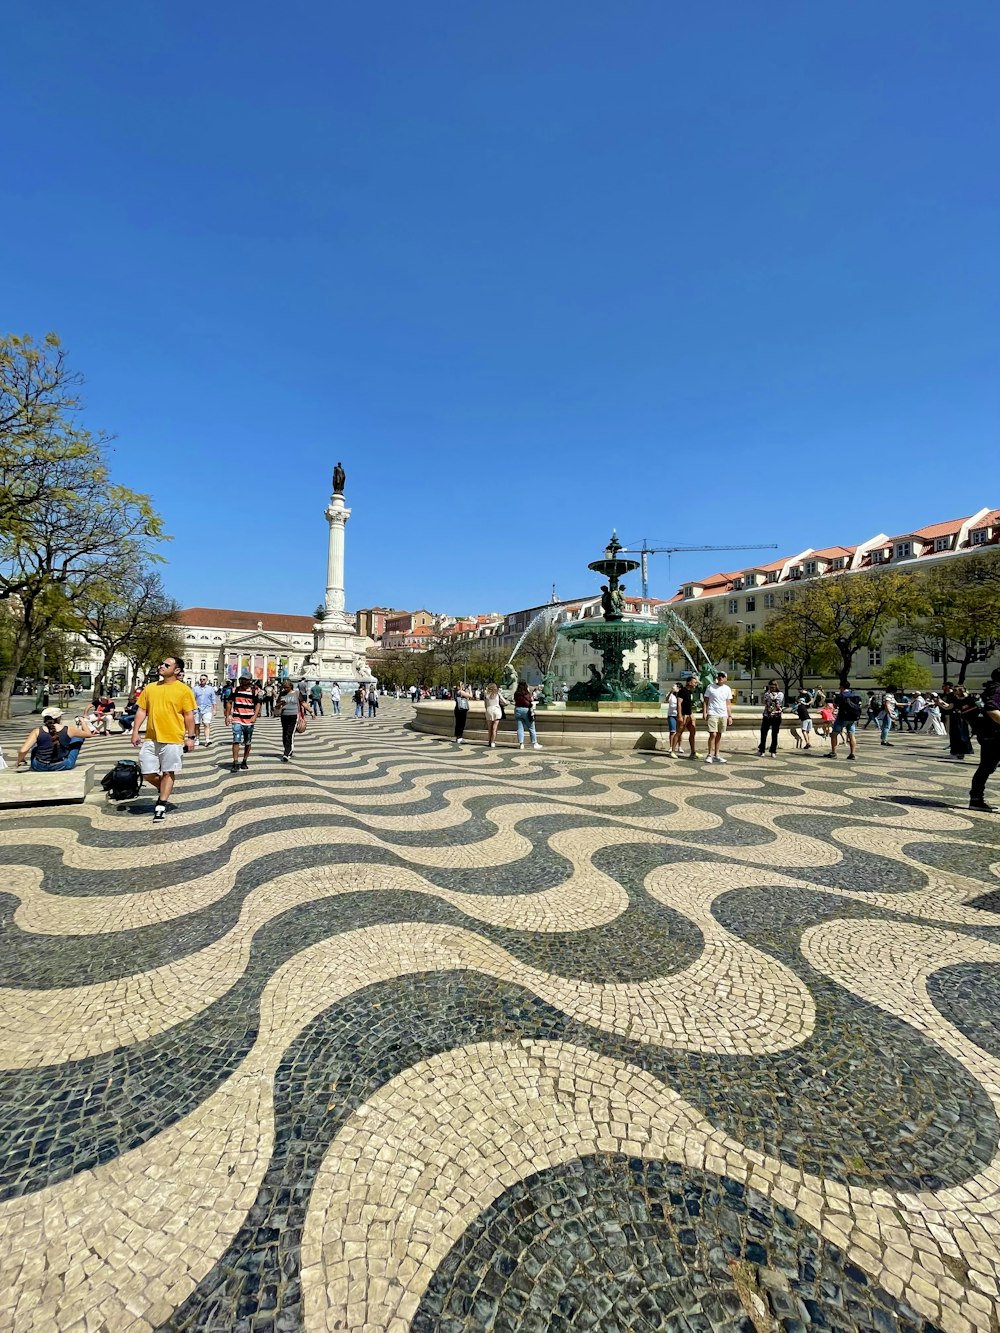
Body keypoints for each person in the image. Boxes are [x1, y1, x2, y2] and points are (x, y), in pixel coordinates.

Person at [131, 656, 197, 820]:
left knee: (168, 771)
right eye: (162, 663)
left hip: (173, 738)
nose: (162, 666)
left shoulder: (184, 690)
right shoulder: (151, 688)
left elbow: (189, 715)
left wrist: (191, 737)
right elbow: (141, 711)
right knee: (147, 772)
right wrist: (135, 731)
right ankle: (164, 787)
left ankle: (161, 804)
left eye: (166, 665)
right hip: (151, 737)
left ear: (177, 670)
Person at [15, 707, 93, 771]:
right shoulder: (69, 729)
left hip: (39, 766)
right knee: (78, 738)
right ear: (59, 718)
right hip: (62, 765)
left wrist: (19, 761)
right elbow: (88, 734)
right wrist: (83, 721)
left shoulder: (37, 731)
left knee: (35, 744)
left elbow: (23, 750)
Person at [969, 679, 1000, 812]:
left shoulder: (990, 689)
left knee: (986, 768)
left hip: (989, 736)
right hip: (996, 736)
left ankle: (976, 799)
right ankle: (976, 799)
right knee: (986, 767)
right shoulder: (997, 690)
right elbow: (992, 710)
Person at [225, 671, 260, 772]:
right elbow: (229, 702)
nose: (242, 681)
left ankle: (244, 760)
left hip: (249, 720)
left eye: (244, 679)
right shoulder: (235, 690)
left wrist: (255, 716)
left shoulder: (254, 691)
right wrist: (227, 716)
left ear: (249, 681)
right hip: (237, 719)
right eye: (241, 679)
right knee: (236, 740)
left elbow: (258, 704)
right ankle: (235, 762)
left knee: (248, 741)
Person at [824, 682, 862, 760]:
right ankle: (852, 754)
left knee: (834, 734)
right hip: (852, 718)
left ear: (842, 687)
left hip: (842, 717)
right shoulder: (854, 694)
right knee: (851, 735)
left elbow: (835, 705)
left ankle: (833, 752)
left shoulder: (840, 695)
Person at [702, 670, 733, 764]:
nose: (720, 678)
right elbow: (705, 701)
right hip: (712, 712)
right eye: (719, 676)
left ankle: (717, 754)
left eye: (722, 676)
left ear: (725, 679)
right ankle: (709, 755)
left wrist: (730, 716)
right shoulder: (710, 687)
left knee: (719, 734)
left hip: (723, 714)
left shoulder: (727, 688)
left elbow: (728, 703)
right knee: (713, 734)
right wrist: (705, 712)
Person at [941, 686, 975, 761]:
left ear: (959, 691)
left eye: (955, 690)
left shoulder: (956, 699)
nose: (953, 691)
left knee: (956, 735)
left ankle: (955, 753)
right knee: (962, 735)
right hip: (962, 717)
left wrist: (940, 703)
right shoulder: (966, 698)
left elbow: (949, 707)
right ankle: (960, 754)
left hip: (957, 717)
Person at [276, 678, 305, 761]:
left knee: (290, 734)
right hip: (284, 716)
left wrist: (311, 712)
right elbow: (276, 706)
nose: (285, 689)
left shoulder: (296, 693)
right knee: (284, 734)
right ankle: (288, 750)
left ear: (291, 687)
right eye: (284, 687)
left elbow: (303, 703)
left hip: (293, 716)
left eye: (287, 687)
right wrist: (280, 703)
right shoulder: (282, 694)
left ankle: (286, 753)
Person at [757, 680, 784, 757]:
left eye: (773, 686)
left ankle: (773, 750)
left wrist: (771, 696)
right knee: (763, 732)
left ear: (776, 686)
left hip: (776, 715)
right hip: (767, 715)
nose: (772, 687)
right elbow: (764, 702)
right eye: (770, 686)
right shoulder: (767, 693)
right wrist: (767, 693)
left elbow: (778, 702)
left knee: (775, 733)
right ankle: (762, 750)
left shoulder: (780, 694)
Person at [513, 679, 542, 750]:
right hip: (526, 711)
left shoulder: (516, 693)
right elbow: (531, 700)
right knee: (531, 727)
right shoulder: (527, 693)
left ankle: (521, 744)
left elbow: (514, 700)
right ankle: (534, 743)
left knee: (520, 728)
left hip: (518, 710)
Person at [676, 673, 699, 759]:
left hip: (689, 714)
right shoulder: (682, 691)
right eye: (694, 682)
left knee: (692, 732)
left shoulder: (689, 692)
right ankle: (673, 751)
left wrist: (692, 714)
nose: (696, 684)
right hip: (684, 715)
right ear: (689, 682)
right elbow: (679, 704)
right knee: (679, 732)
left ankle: (693, 752)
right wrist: (679, 715)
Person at [193, 674, 216, 747]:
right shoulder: (195, 688)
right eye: (201, 679)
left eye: (203, 679)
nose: (202, 681)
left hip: (207, 708)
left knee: (206, 724)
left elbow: (213, 699)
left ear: (207, 680)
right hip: (197, 709)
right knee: (197, 725)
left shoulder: (210, 689)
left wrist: (214, 709)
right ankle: (197, 739)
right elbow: (192, 699)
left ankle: (207, 739)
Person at [483, 682, 505, 748]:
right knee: (494, 728)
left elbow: (485, 704)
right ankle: (493, 742)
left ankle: (489, 741)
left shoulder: (486, 694)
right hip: (496, 710)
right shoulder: (497, 694)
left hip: (489, 710)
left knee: (489, 728)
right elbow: (504, 701)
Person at [664, 682, 679, 757]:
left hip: (679, 715)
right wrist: (671, 692)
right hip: (671, 714)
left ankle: (679, 746)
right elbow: (666, 700)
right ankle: (671, 746)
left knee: (679, 732)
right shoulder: (671, 695)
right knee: (672, 731)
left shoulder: (680, 695)